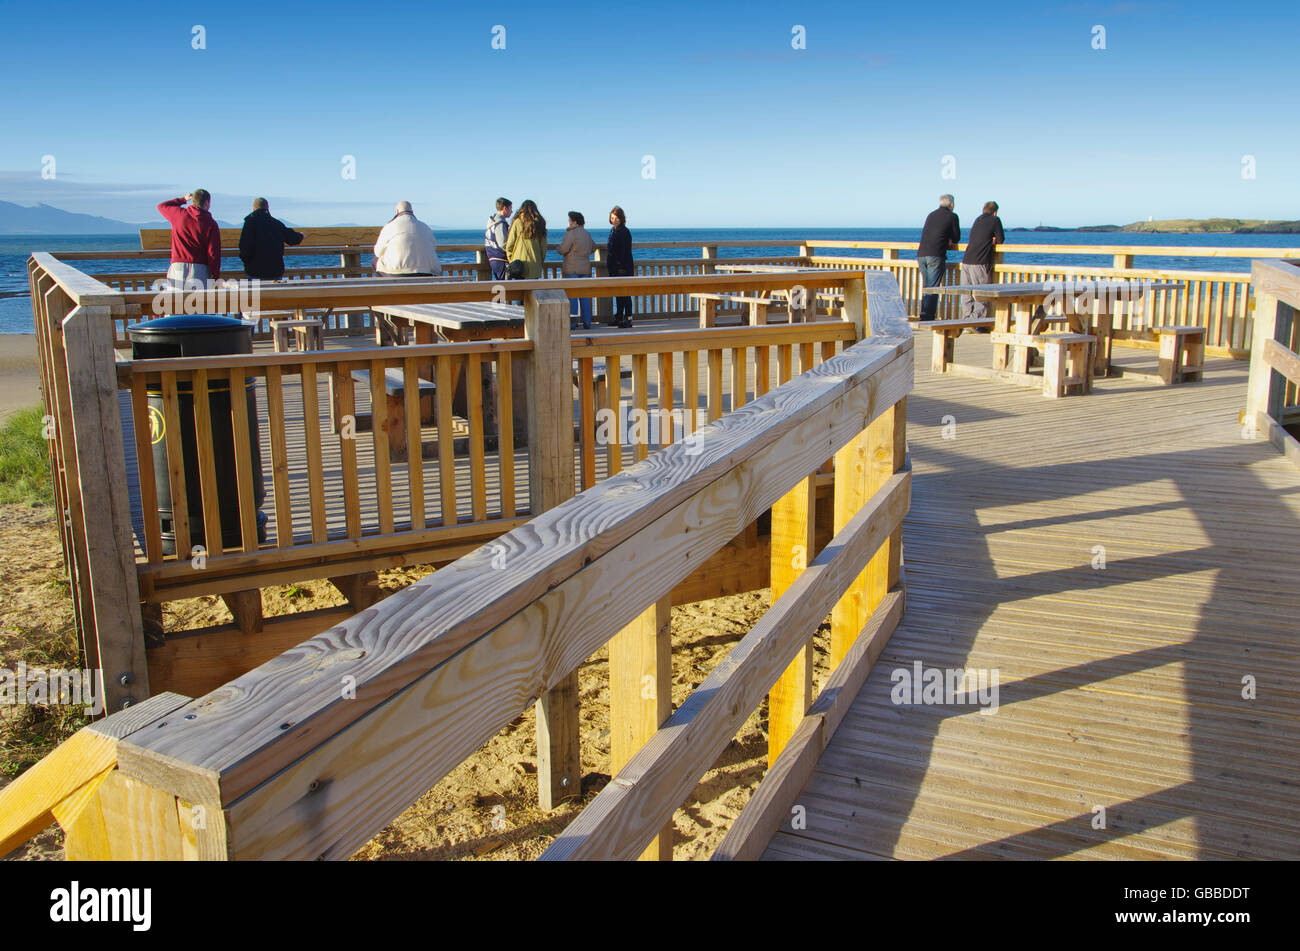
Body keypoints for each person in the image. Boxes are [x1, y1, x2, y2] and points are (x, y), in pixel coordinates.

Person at [157, 189, 222, 287]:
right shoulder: (211, 223)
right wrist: (215, 275)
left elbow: (161, 206)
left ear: (193, 200)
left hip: (177, 266)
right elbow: (213, 253)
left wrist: (183, 199)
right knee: (199, 301)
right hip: (200, 269)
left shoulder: (179, 214)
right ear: (206, 203)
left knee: (175, 301)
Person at [238, 198, 304, 280]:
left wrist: (247, 262)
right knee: (276, 292)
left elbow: (244, 246)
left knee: (255, 293)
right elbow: (292, 239)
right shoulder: (276, 223)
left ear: (253, 209)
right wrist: (301, 236)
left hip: (254, 271)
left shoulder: (249, 223)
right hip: (275, 271)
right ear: (268, 208)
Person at [917, 194, 960, 321]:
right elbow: (956, 237)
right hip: (935, 254)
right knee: (933, 287)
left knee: (927, 286)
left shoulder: (931, 214)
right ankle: (928, 317)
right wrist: (949, 239)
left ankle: (924, 314)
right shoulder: (952, 216)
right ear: (951, 204)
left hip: (922, 254)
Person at [961, 201, 1005, 321]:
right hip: (979, 261)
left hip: (966, 260)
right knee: (982, 292)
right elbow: (1001, 239)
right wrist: (993, 240)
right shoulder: (995, 220)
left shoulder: (978, 219)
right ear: (995, 212)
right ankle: (976, 322)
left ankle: (965, 320)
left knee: (967, 293)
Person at [373, 201, 440, 276]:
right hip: (426, 271)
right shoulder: (425, 227)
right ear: (412, 211)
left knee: (375, 260)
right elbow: (434, 247)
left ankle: (385, 287)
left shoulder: (390, 226)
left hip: (396, 272)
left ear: (397, 211)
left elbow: (378, 252)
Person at [557, 211, 595, 330]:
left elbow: (563, 249)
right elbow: (593, 247)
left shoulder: (571, 234)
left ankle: (572, 323)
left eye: (569, 220)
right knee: (584, 296)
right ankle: (587, 322)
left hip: (572, 268)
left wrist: (557, 248)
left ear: (574, 222)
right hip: (585, 269)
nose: (568, 222)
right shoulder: (587, 234)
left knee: (572, 297)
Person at [504, 199, 547, 280]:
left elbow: (509, 245)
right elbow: (543, 248)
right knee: (532, 292)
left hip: (519, 266)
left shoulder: (517, 222)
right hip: (535, 265)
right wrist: (540, 261)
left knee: (519, 291)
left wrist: (511, 260)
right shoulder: (540, 223)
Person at [606, 205, 634, 328]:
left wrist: (621, 266)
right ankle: (618, 317)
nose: (615, 220)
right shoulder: (613, 230)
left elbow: (624, 251)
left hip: (623, 268)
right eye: (613, 217)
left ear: (621, 218)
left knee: (626, 294)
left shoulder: (625, 231)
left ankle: (628, 319)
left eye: (617, 218)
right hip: (614, 268)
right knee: (618, 293)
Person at [484, 198, 513, 281]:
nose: (512, 211)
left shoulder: (493, 221)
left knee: (501, 284)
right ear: (505, 208)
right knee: (505, 286)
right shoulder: (500, 223)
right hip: (500, 258)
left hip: (493, 257)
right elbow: (503, 243)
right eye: (510, 208)